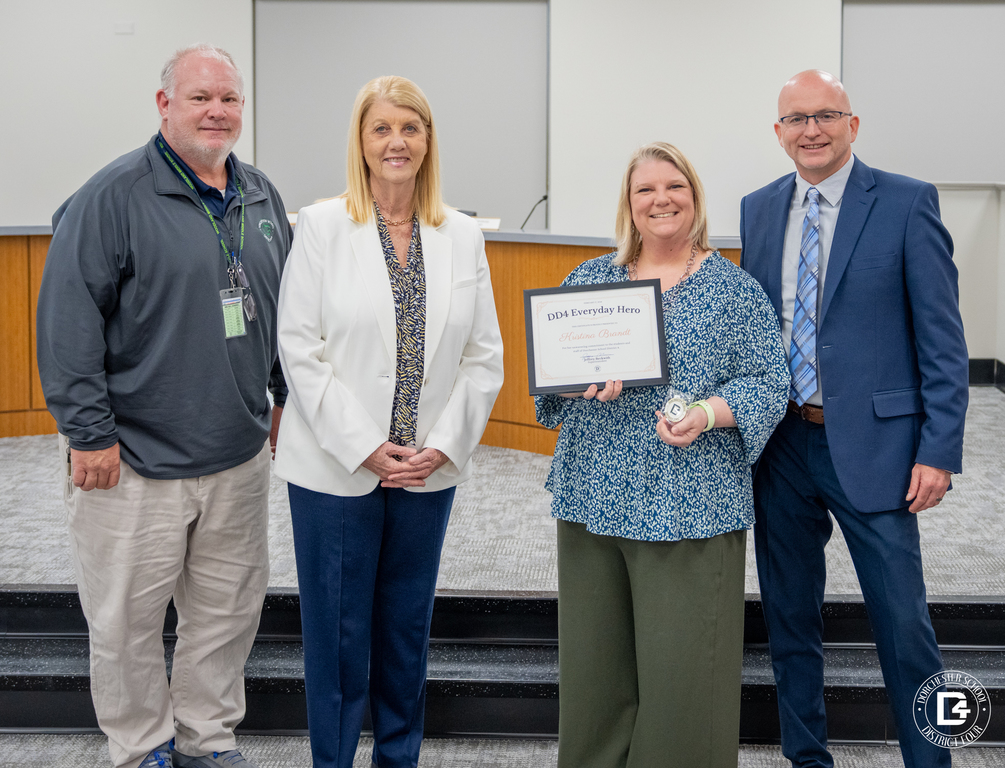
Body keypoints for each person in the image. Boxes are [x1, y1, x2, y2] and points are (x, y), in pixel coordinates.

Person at [35, 44, 290, 768]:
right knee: (125, 622)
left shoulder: (262, 197)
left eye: (230, 100)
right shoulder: (111, 197)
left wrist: (279, 399)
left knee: (225, 614)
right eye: (201, 97)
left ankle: (206, 740)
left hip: (237, 459)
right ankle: (141, 744)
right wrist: (88, 435)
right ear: (164, 105)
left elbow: (277, 313)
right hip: (132, 463)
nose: (218, 112)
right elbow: (67, 324)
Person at [740, 70, 969, 768]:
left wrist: (940, 449)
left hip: (878, 449)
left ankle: (933, 759)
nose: (811, 129)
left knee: (904, 624)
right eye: (797, 119)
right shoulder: (757, 207)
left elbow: (942, 339)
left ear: (853, 124)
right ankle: (808, 758)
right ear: (778, 133)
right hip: (781, 445)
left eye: (826, 115)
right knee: (789, 618)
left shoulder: (905, 202)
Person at [273, 75, 503, 768]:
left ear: (429, 141)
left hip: (426, 470)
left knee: (405, 630)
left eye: (411, 127)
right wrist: (366, 445)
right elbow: (300, 348)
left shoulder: (461, 235)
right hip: (335, 467)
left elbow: (483, 357)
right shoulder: (320, 227)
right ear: (362, 143)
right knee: (338, 637)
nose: (397, 141)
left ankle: (398, 757)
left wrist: (443, 446)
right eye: (382, 129)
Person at [536, 142, 789, 768]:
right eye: (645, 190)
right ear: (629, 203)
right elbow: (551, 382)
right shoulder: (590, 281)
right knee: (595, 676)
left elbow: (766, 382)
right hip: (593, 500)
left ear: (695, 197)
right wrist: (572, 379)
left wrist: (706, 414)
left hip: (690, 506)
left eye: (674, 186)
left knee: (684, 685)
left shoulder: (732, 289)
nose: (661, 200)